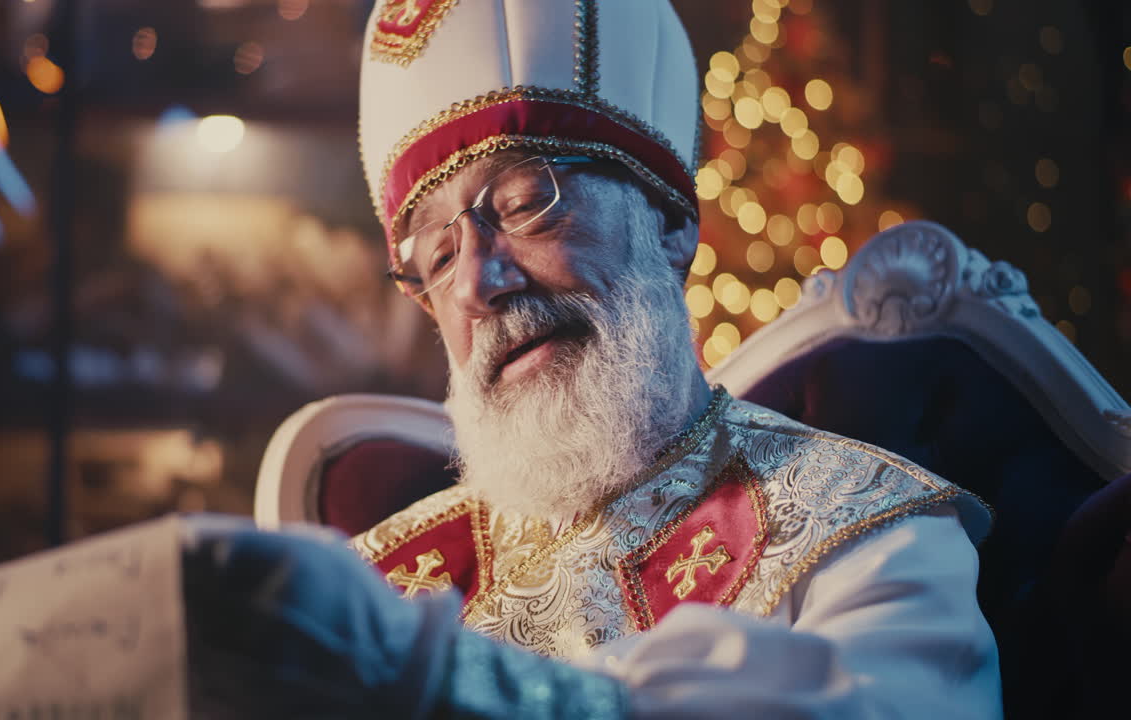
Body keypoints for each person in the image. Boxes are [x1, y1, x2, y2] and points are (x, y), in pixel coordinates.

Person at [184, 0, 1001, 717]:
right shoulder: (372, 590)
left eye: (523, 203)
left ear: (673, 223)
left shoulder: (866, 532)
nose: (478, 281)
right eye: (435, 255)